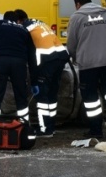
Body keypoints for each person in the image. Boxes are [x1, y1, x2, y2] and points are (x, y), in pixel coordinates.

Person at [67, 0, 106, 139]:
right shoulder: (105, 12)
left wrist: (74, 57)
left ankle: (96, 129)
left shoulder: (77, 17)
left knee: (91, 97)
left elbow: (71, 43)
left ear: (78, 4)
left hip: (89, 63)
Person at [15, 9, 69, 138]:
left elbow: (29, 54)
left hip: (48, 59)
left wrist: (34, 80)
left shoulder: (25, 28)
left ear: (19, 20)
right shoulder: (39, 23)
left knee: (42, 95)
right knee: (52, 93)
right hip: (61, 56)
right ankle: (51, 126)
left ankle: (45, 129)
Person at [0, 11, 37, 122]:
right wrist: (34, 81)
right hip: (19, 63)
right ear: (16, 20)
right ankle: (23, 123)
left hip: (1, 61)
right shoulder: (24, 30)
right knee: (20, 94)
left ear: (4, 18)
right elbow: (32, 57)